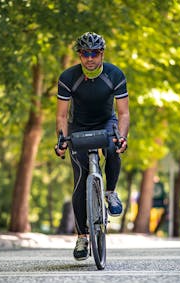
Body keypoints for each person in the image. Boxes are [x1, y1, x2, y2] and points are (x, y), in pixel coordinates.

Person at [55, 32, 130, 261]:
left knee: (113, 146)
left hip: (106, 122)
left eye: (94, 53)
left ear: (102, 54)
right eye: (85, 53)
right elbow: (61, 115)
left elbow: (124, 112)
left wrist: (123, 137)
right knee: (79, 179)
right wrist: (60, 140)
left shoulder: (114, 74)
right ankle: (82, 238)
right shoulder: (68, 77)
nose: (90, 58)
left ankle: (110, 192)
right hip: (78, 125)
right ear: (79, 55)